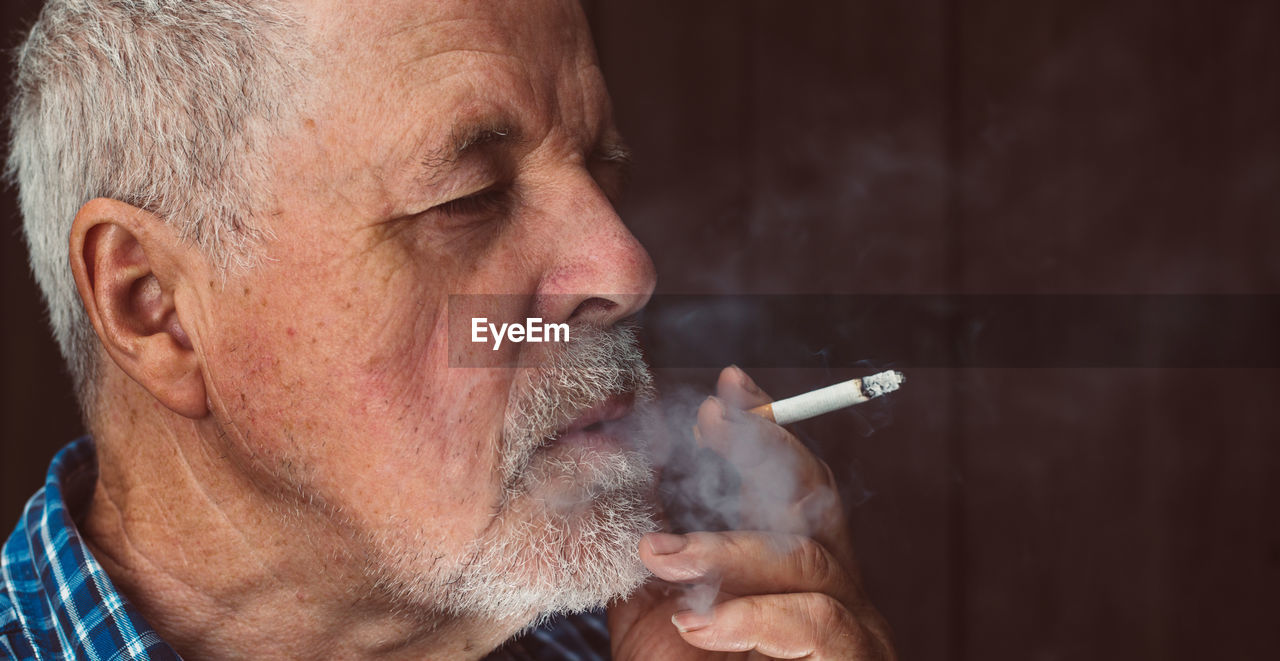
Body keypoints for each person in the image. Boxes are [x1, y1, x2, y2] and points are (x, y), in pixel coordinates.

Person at [0, 1, 895, 659]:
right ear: (153, 306)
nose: (624, 267)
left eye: (598, 166)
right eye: (467, 199)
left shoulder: (676, 637)